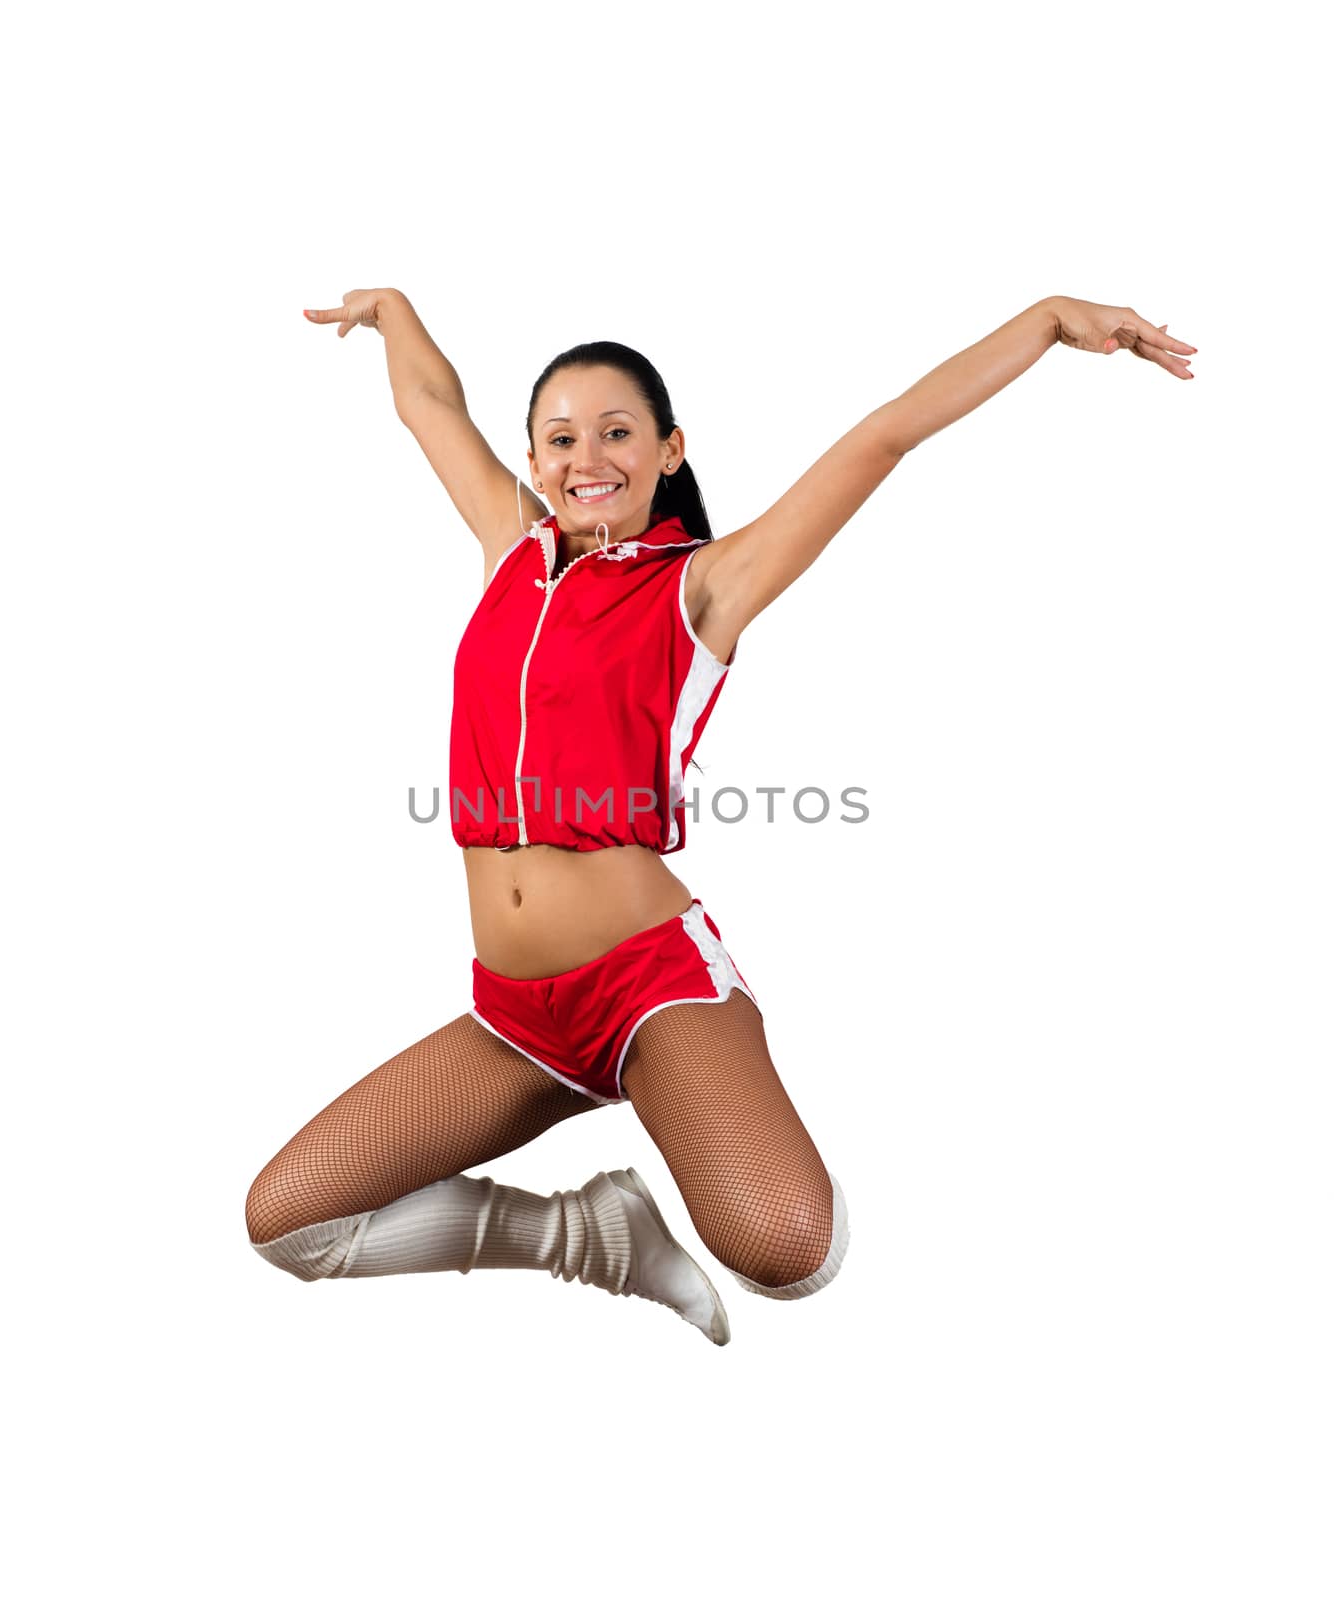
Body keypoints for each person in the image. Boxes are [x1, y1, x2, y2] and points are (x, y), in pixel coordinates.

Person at [245, 288, 1196, 1345]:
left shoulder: (696, 588)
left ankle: (692, 1080)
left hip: (647, 980)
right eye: (559, 439)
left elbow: (879, 439)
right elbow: (428, 402)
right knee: (288, 1223)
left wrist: (1046, 323)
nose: (585, 458)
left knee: (789, 1251)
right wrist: (392, 310)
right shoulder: (509, 546)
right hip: (516, 1013)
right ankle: (591, 1238)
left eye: (616, 432)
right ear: (533, 456)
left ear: (666, 450)